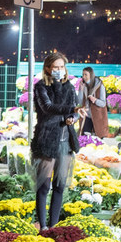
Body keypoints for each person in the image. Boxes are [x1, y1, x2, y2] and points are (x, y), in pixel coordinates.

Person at [32, 53, 83, 229]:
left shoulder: (69, 87)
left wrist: (72, 118)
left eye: (62, 67)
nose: (59, 70)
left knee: (60, 186)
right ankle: (43, 226)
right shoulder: (41, 87)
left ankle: (53, 227)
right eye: (56, 67)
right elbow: (47, 107)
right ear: (48, 68)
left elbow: (75, 112)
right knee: (44, 186)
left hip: (65, 141)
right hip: (47, 140)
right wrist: (71, 109)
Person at [77, 67, 109, 138]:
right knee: (84, 138)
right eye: (83, 75)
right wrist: (81, 90)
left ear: (91, 75)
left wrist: (95, 100)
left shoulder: (100, 86)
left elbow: (103, 103)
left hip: (98, 117)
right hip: (87, 116)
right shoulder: (83, 85)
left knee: (98, 139)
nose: (84, 77)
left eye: (86, 75)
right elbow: (79, 101)